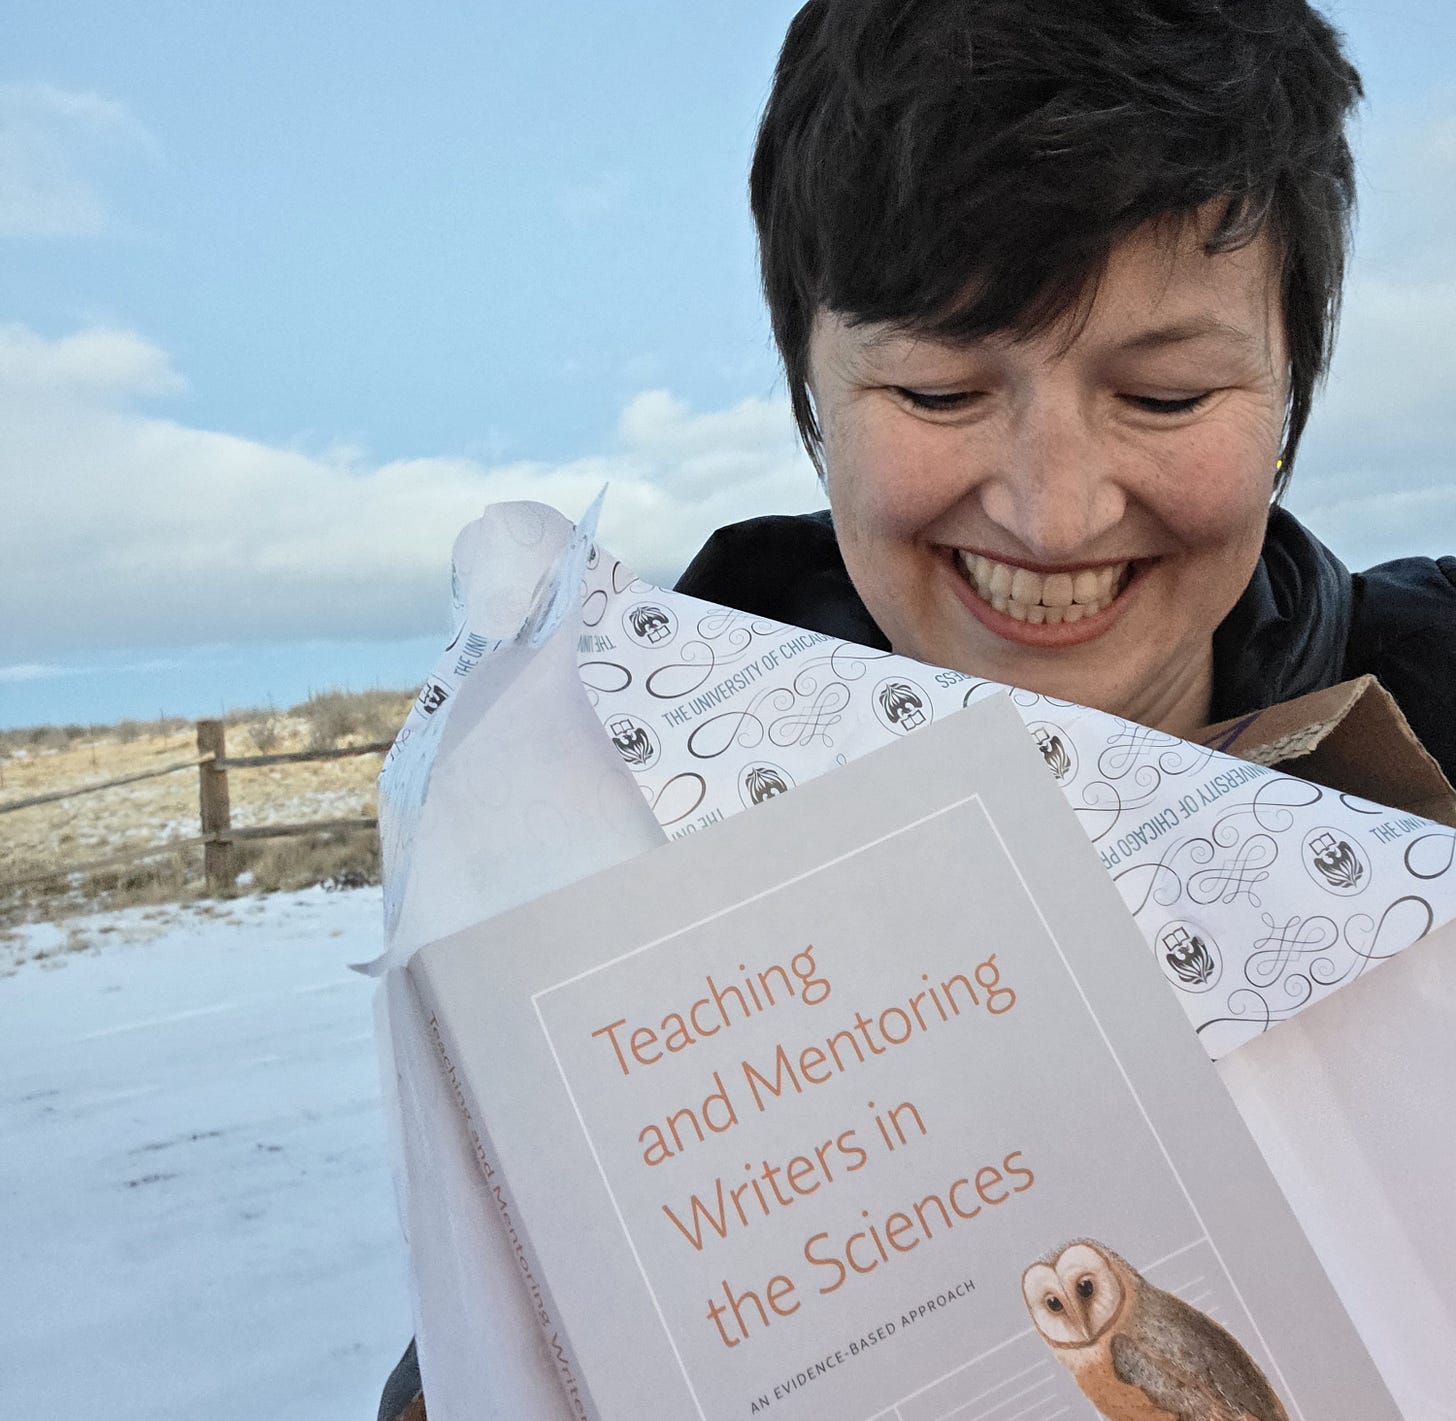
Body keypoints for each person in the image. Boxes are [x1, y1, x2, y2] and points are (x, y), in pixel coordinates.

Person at [381, 0, 1454, 1412]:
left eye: (1167, 393)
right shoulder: (607, 866)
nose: (1053, 506)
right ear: (812, 393)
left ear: (1289, 387)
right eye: (941, 390)